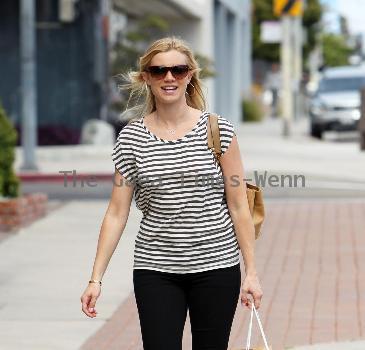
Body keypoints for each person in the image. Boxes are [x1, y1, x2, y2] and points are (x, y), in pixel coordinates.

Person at [80, 36, 263, 350]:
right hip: (156, 269)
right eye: (159, 71)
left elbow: (238, 206)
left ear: (190, 75)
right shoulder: (132, 138)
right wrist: (96, 278)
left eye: (178, 70)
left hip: (216, 266)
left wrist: (252, 273)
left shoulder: (218, 130)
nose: (169, 78)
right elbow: (117, 212)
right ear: (146, 77)